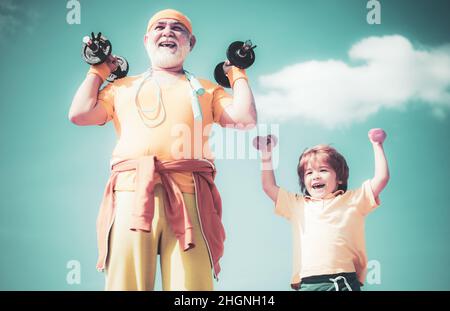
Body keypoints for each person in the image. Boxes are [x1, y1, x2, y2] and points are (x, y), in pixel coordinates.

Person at [68, 9, 257, 291]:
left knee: (191, 291)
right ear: (147, 40)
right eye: (159, 27)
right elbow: (80, 113)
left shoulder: (206, 90)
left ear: (190, 43)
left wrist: (237, 72)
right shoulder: (121, 87)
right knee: (125, 286)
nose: (167, 31)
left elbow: (245, 117)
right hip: (132, 193)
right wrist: (99, 69)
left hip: (190, 197)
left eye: (177, 28)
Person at [257, 128, 389, 291]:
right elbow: (268, 186)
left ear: (339, 178)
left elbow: (382, 178)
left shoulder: (353, 200)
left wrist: (377, 144)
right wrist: (266, 154)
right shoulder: (298, 205)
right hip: (308, 284)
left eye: (323, 170)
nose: (315, 176)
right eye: (309, 173)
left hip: (342, 281)